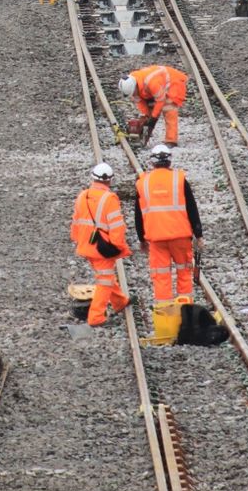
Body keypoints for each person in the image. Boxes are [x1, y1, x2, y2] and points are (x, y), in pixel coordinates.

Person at [134, 144, 203, 305]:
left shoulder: (143, 182)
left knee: (161, 276)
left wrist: (141, 239)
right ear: (169, 162)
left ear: (152, 162)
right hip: (180, 237)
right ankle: (185, 312)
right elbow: (192, 207)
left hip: (156, 239)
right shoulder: (179, 179)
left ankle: (165, 314)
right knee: (184, 272)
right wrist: (198, 234)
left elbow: (138, 214)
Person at [69, 161, 132, 327]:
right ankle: (96, 317)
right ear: (110, 180)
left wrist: (77, 240)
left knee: (106, 276)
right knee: (104, 280)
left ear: (92, 178)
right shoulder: (110, 199)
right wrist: (118, 247)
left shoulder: (82, 195)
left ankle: (120, 302)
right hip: (103, 248)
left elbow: (76, 221)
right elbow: (116, 226)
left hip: (86, 245)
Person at [119, 65, 189, 146]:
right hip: (156, 88)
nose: (133, 95)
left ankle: (171, 140)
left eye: (133, 93)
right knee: (149, 114)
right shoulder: (133, 82)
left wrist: (153, 118)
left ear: (135, 87)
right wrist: (147, 116)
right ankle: (144, 136)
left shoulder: (151, 82)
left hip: (173, 82)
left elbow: (160, 100)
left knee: (169, 109)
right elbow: (140, 101)